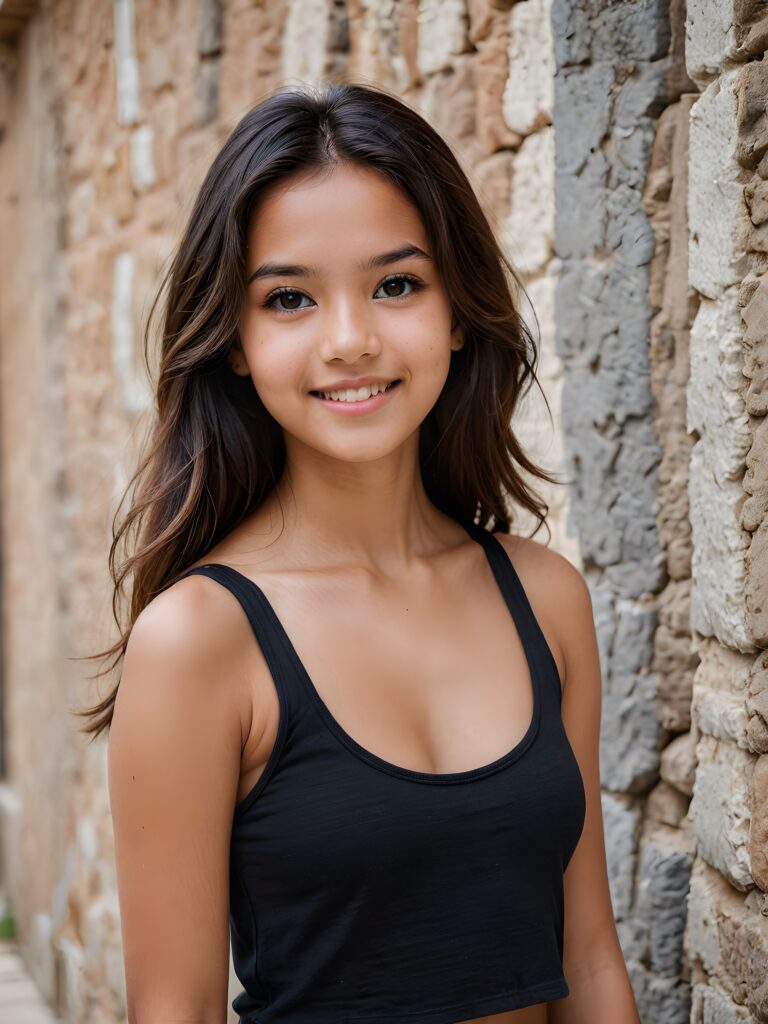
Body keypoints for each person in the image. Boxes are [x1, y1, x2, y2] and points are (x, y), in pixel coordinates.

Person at [77, 81, 641, 1024]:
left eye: (396, 284)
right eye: (290, 298)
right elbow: (173, 1010)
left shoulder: (545, 600)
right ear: (238, 343)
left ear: (458, 313)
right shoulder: (200, 642)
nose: (350, 340)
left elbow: (588, 959)